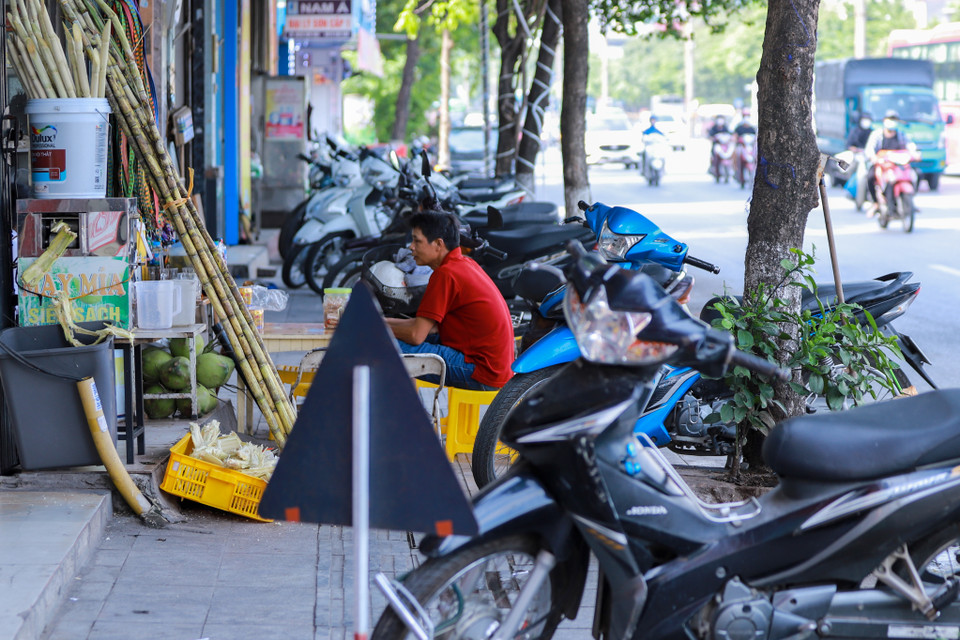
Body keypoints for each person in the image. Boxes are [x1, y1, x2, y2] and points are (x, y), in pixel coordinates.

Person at [385, 211, 515, 391]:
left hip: (482, 372)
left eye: (417, 241)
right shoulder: (465, 263)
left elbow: (416, 335)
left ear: (438, 244)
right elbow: (429, 327)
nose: (411, 247)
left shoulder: (446, 274)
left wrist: (375, 326)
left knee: (381, 345)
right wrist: (379, 321)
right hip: (495, 368)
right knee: (386, 336)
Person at [864, 110, 917, 211]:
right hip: (881, 164)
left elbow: (911, 146)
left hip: (897, 165)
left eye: (894, 119)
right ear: (884, 121)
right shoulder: (877, 135)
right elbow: (869, 149)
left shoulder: (901, 135)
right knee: (870, 177)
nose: (892, 122)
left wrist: (915, 154)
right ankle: (876, 203)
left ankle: (909, 202)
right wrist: (873, 157)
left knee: (915, 175)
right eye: (890, 119)